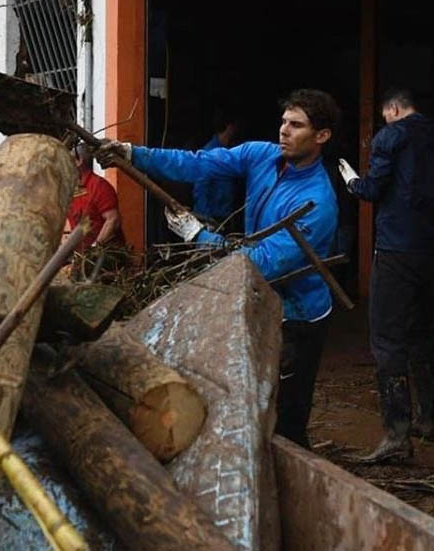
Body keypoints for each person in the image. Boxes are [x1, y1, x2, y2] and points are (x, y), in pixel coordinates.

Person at [96, 89, 341, 449]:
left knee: (287, 412)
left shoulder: (316, 202)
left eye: (297, 125)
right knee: (253, 392)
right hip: (259, 297)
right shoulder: (262, 155)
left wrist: (199, 236)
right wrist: (134, 154)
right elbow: (198, 163)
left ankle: (294, 476)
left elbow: (264, 264)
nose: (284, 131)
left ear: (322, 136)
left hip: (298, 315)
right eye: (284, 122)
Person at [338, 88, 434, 463]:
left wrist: (351, 182)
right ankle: (428, 420)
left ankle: (396, 435)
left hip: (398, 248)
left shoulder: (392, 135)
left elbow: (374, 189)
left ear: (392, 109)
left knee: (387, 336)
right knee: (421, 329)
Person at [66, 143, 124, 252]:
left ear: (79, 161)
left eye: (68, 160)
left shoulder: (99, 186)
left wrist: (94, 250)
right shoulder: (71, 189)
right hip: (82, 257)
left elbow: (113, 220)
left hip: (105, 259)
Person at [194, 107, 242, 227]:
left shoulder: (230, 152)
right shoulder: (209, 153)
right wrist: (205, 219)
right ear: (230, 127)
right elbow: (200, 188)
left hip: (225, 216)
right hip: (213, 218)